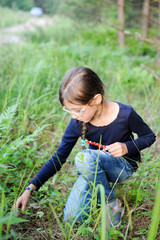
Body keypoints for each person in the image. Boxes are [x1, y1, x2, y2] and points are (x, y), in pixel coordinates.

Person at [16, 66, 156, 227]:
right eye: (68, 110)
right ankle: (98, 188)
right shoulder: (77, 122)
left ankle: (111, 203)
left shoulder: (125, 114)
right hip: (92, 168)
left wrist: (127, 147)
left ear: (96, 99)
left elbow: (149, 136)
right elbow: (58, 158)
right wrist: (30, 189)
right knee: (72, 218)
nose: (73, 116)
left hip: (123, 167)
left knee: (83, 157)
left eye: (77, 110)